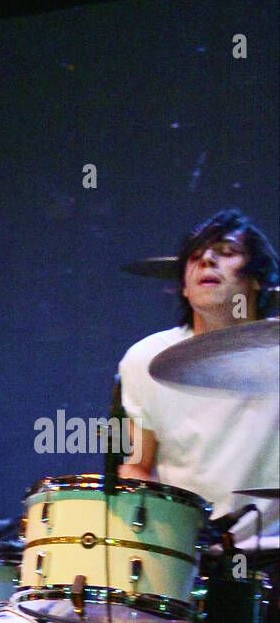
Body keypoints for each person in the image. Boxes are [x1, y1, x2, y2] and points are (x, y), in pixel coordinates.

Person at [118, 208, 279, 544]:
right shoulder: (145, 358)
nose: (206, 259)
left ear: (257, 279)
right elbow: (137, 466)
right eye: (195, 256)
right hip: (187, 554)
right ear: (184, 288)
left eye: (226, 252)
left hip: (272, 549)